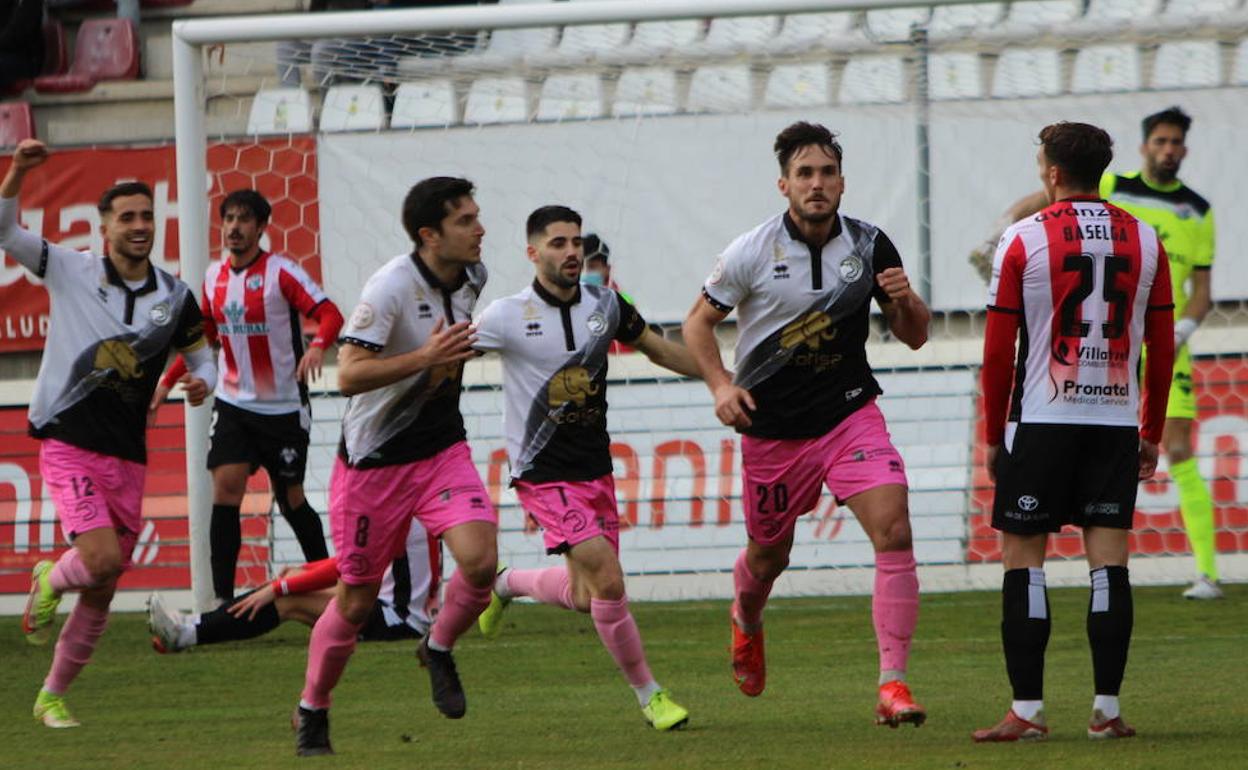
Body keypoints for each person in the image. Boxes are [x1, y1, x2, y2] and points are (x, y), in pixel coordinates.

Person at [682, 121, 931, 727]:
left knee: (894, 530)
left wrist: (904, 300)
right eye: (804, 174)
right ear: (784, 185)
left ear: (842, 182)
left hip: (849, 414)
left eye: (825, 173)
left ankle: (893, 685)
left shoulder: (871, 246)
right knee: (769, 557)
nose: (815, 184)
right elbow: (695, 324)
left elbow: (917, 336)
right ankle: (745, 617)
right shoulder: (751, 251)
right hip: (774, 430)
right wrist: (721, 386)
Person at [2, 139, 216, 728]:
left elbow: (203, 360)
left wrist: (203, 385)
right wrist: (18, 170)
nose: (141, 225)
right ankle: (50, 575)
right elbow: (5, 232)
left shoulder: (174, 298)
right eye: (128, 217)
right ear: (104, 228)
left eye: (148, 215)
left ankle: (51, 695)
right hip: (69, 439)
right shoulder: (69, 268)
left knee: (101, 584)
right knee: (100, 559)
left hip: (129, 454)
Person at [972, 122, 1174, 742]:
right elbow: (1160, 347)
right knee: (1109, 566)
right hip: (1113, 419)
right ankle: (1107, 710)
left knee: (1023, 562)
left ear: (1052, 171)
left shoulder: (1024, 239)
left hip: (1041, 417)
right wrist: (1151, 429)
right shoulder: (1146, 239)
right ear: (1103, 170)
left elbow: (999, 349)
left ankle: (1027, 712)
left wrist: (991, 433)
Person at [971, 107, 1219, 600]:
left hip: (1156, 341)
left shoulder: (1198, 210)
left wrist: (1180, 330)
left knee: (1180, 451)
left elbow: (1204, 289)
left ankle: (1208, 570)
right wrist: (1001, 227)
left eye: (1176, 143)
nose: (1168, 149)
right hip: (1107, 354)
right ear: (1145, 146)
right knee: (1116, 517)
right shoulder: (1115, 190)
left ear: (1184, 150)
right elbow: (1049, 196)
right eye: (1161, 141)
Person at [472, 205, 699, 732]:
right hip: (541, 472)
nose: (571, 251)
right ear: (533, 253)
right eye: (558, 243)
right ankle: (652, 696)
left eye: (576, 242)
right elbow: (443, 359)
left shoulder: (607, 304)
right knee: (609, 577)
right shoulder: (507, 315)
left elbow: (661, 351)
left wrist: (722, 377)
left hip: (594, 468)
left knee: (586, 595)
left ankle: (506, 585)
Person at [292, 176, 497, 757]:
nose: (480, 229)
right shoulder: (389, 287)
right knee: (356, 601)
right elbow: (349, 373)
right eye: (465, 221)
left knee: (481, 564)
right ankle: (313, 708)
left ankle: (437, 646)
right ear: (429, 235)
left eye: (477, 216)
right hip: (374, 464)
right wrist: (426, 358)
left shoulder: (473, 276)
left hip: (439, 450)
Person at [152, 189, 344, 605]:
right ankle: (222, 599)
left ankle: (334, 590)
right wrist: (167, 381)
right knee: (226, 489)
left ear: (261, 228)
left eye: (244, 220)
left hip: (284, 408)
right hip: (236, 404)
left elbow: (330, 314)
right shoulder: (213, 278)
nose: (235, 227)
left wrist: (317, 346)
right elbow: (202, 338)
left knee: (291, 500)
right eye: (229, 219)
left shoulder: (282, 273)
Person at [147, 521, 441, 652]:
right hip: (388, 608)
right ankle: (191, 625)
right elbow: (350, 560)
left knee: (285, 599)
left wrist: (281, 587)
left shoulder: (399, 508)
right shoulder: (408, 497)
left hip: (399, 620)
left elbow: (348, 565)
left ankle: (186, 633)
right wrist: (297, 576)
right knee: (286, 587)